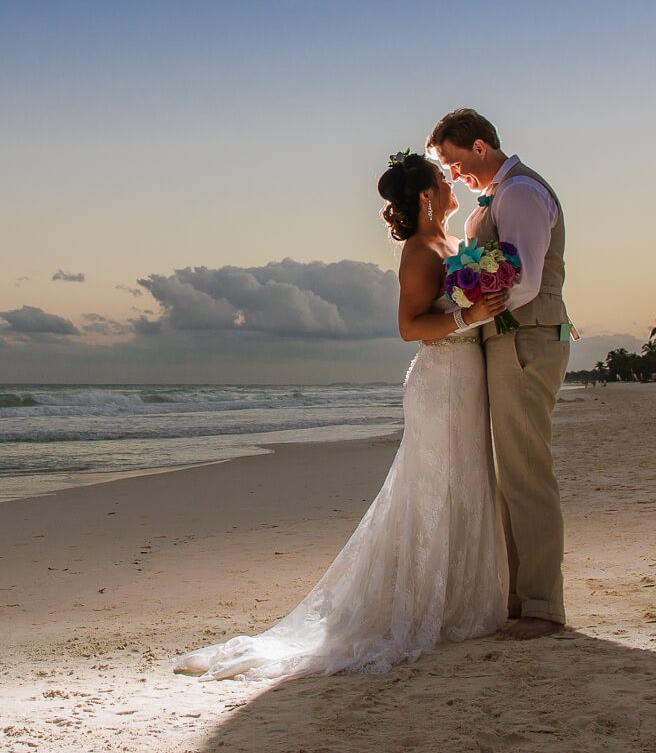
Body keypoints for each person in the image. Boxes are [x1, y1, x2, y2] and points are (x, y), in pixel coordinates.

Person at [172, 151, 507, 683]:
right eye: (443, 180)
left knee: (466, 480)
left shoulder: (451, 245)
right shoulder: (421, 252)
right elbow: (409, 326)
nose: (450, 184)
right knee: (432, 486)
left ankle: (458, 598)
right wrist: (471, 313)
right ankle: (426, 602)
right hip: (440, 381)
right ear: (425, 196)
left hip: (466, 377)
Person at [428, 108, 569, 642]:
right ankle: (519, 597)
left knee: (526, 471)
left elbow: (526, 280)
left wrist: (471, 301)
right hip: (506, 339)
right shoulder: (495, 199)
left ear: (480, 147)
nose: (454, 172)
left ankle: (541, 605)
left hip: (526, 338)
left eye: (454, 159)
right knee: (511, 472)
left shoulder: (521, 194)